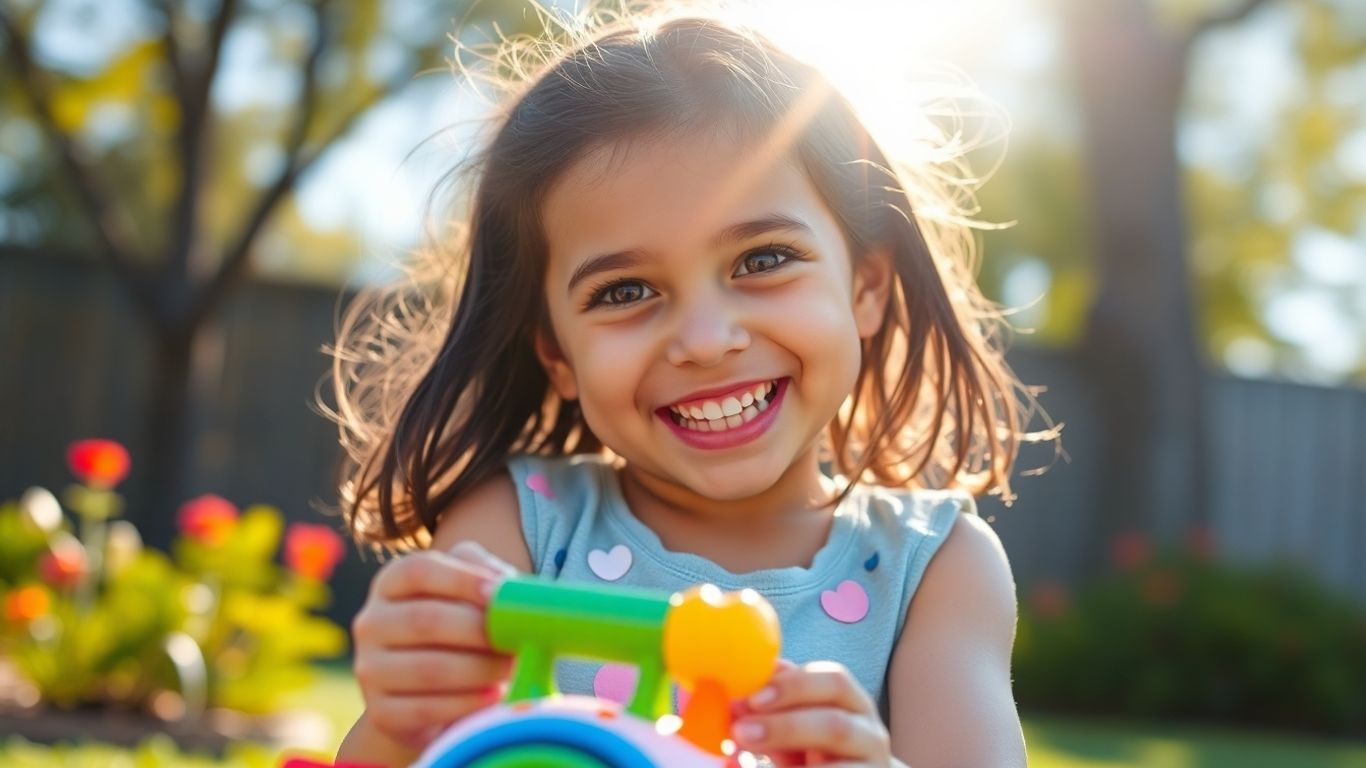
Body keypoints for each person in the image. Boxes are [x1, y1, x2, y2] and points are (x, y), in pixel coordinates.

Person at [330, 6, 1050, 766]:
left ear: (866, 287)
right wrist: (401, 715)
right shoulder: (523, 527)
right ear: (557, 354)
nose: (707, 342)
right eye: (622, 292)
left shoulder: (934, 566)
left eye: (764, 260)